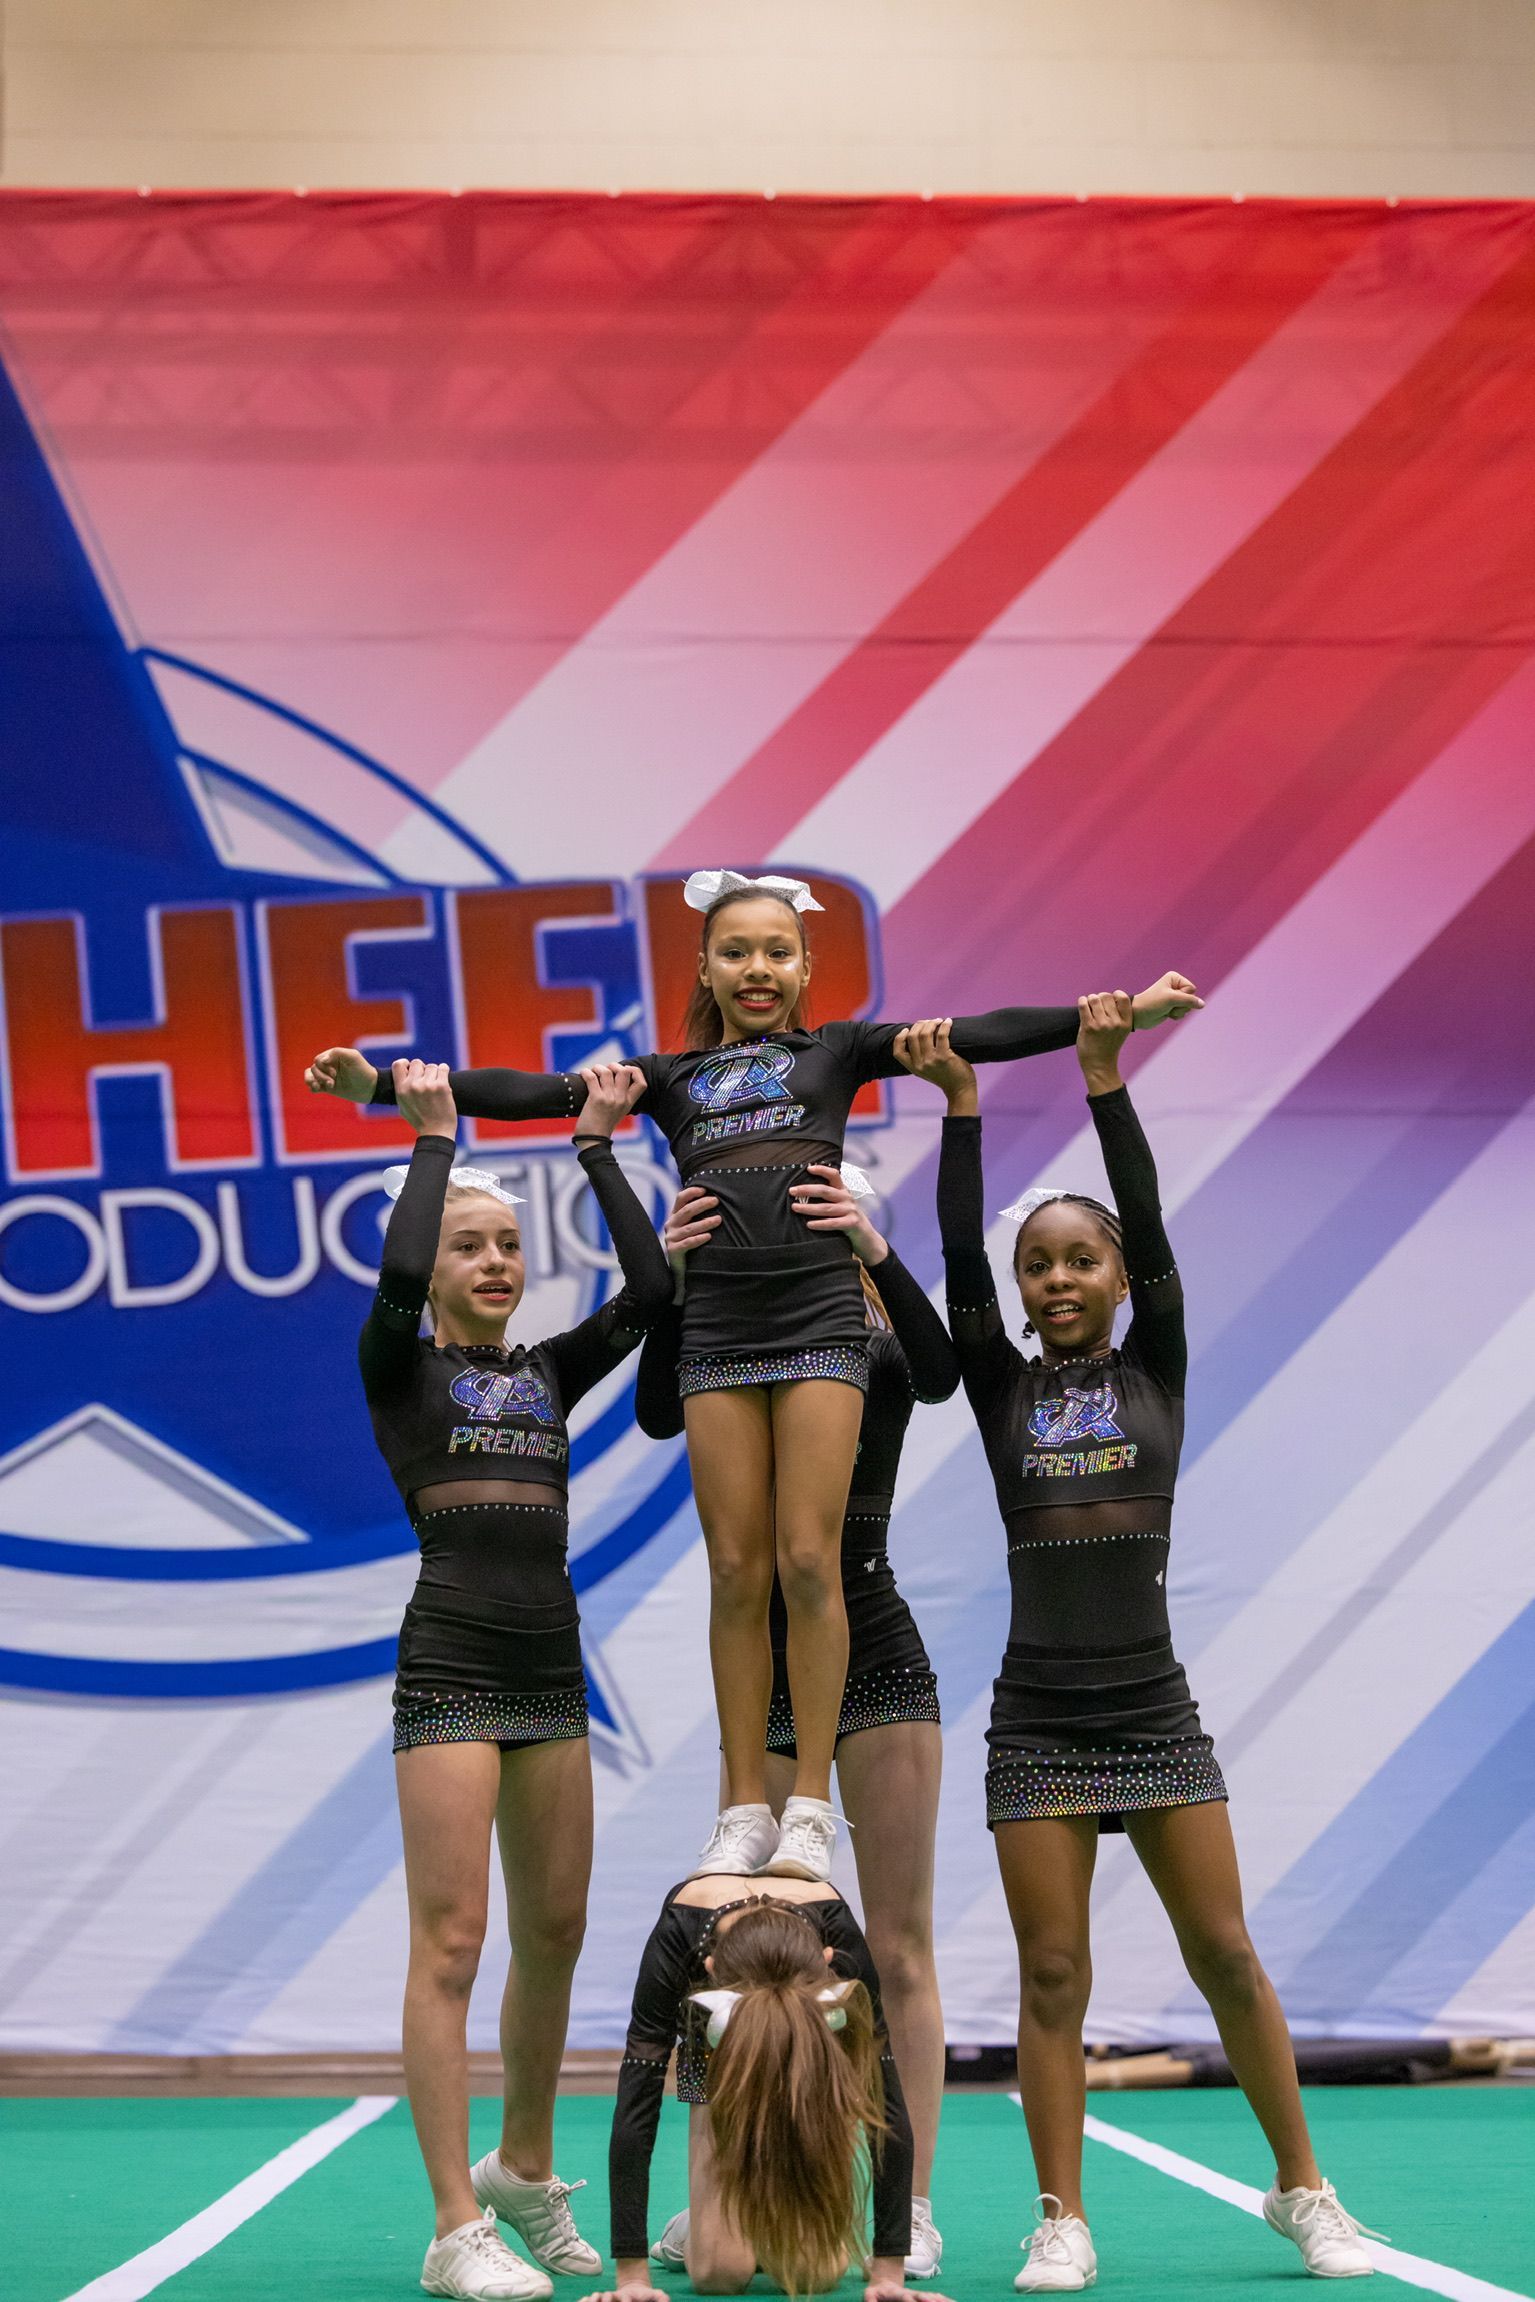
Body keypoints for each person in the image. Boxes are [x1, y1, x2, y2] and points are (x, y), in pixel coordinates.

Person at [308, 863, 1200, 1883]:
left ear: (806, 962)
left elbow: (978, 1029)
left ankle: (809, 1801)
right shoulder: (668, 1078)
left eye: (777, 949)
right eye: (735, 951)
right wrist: (383, 1085)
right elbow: (525, 1093)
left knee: (805, 1558)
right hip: (719, 1328)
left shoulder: (838, 1051)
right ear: (706, 966)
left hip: (820, 1319)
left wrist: (1119, 1014)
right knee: (736, 1569)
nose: (757, 966)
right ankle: (743, 1800)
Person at [902, 1005, 1379, 2292]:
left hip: (1152, 1707)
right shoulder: (1002, 1391)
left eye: (1080, 1261)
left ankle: (1303, 2189)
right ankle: (1059, 2216)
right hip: (1039, 1715)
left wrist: (1103, 1080)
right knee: (1052, 1971)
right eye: (1038, 1267)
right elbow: (954, 1261)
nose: (1056, 1279)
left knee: (1223, 1951)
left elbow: (1153, 1228)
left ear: (1118, 1280)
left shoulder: (1156, 1367)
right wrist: (958, 1110)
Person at [364, 1057, 671, 2301]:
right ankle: (453, 2226)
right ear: (433, 1271)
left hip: (549, 1667)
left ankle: (522, 2166)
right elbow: (389, 1281)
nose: (495, 1263)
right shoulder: (401, 1367)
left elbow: (649, 1290)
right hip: (448, 1660)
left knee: (553, 1930)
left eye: (507, 1246)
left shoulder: (544, 1371)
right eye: (469, 1249)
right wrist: (434, 1138)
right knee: (451, 1941)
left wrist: (599, 1144)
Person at [634, 1162, 958, 2280]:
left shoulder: (862, 1343)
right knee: (758, 1949)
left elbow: (942, 1365)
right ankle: (736, 2192)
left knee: (899, 1949)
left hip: (873, 1652)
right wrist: (678, 1275)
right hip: (767, 1672)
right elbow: (644, 1408)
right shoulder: (728, 1341)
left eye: (810, 1214)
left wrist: (866, 1249)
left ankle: (905, 2206)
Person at [582, 1875, 950, 2302]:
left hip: (806, 2052)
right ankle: (699, 2225)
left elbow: (886, 2111)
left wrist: (888, 2273)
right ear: (710, 1971)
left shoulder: (840, 1939)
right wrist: (632, 2278)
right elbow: (636, 2109)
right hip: (720, 2054)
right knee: (720, 2274)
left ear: (830, 1959)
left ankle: (739, 2215)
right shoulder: (679, 1934)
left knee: (814, 2274)